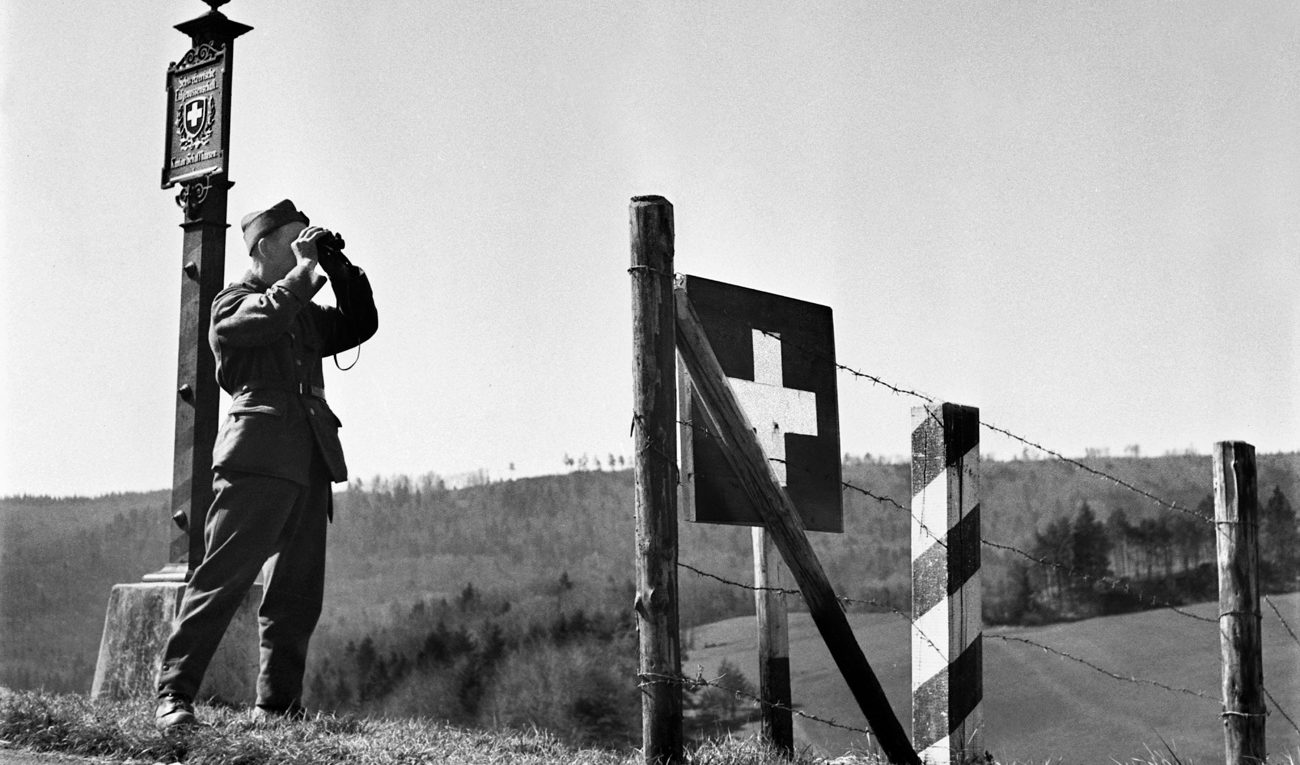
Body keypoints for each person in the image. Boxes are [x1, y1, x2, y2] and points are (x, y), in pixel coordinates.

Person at [155, 199, 378, 731]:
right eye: (294, 239)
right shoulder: (230, 303)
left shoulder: (300, 306)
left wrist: (337, 267)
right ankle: (174, 694)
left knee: (296, 592)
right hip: (256, 457)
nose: (303, 247)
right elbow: (266, 317)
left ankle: (278, 706)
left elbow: (360, 324)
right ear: (262, 247)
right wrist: (304, 273)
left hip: (310, 457)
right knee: (222, 579)